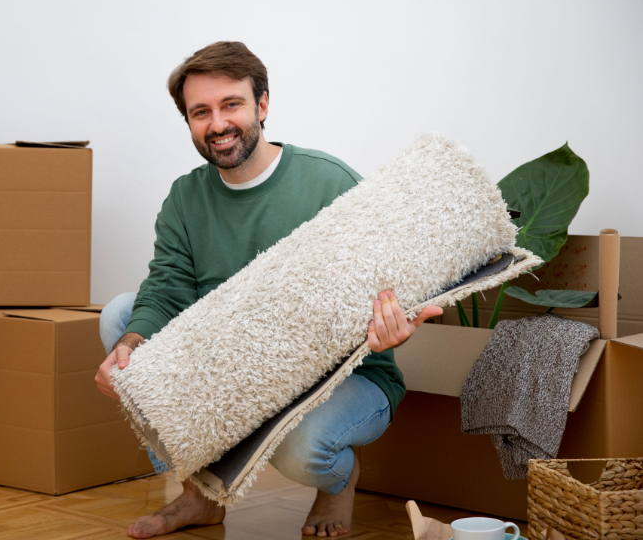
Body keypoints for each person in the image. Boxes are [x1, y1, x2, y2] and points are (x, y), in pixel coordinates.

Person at [95, 41, 442, 539]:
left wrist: (392, 325)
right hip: (236, 374)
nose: (217, 124)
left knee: (300, 449)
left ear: (261, 105)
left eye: (231, 104)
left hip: (339, 375)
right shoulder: (186, 197)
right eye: (201, 112)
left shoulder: (328, 182)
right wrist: (129, 348)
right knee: (121, 316)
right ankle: (201, 495)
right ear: (189, 122)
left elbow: (392, 282)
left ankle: (338, 484)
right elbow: (166, 290)